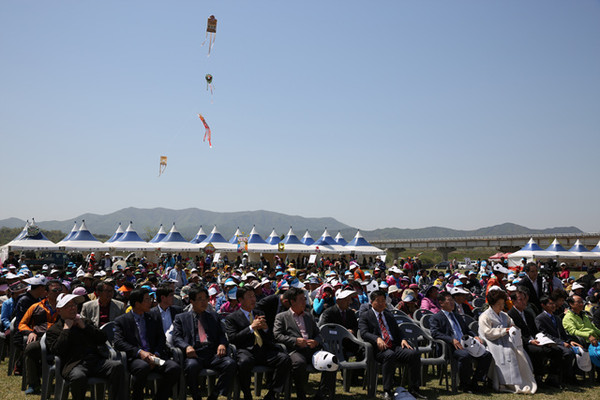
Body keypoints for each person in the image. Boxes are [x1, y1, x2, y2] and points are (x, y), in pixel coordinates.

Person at [46, 293, 125, 400]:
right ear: (59, 311)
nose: (73, 308)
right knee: (78, 377)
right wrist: (66, 330)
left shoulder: (85, 322)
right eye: (68, 306)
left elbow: (102, 338)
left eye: (74, 305)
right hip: (74, 364)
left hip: (96, 361)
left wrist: (85, 327)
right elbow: (57, 351)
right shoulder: (54, 330)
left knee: (117, 366)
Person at [114, 287, 181, 400]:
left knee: (173, 367)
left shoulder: (153, 317)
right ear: (137, 303)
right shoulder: (122, 320)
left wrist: (156, 354)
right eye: (147, 300)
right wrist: (140, 353)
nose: (151, 302)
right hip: (136, 358)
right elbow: (118, 342)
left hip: (154, 357)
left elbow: (161, 338)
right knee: (142, 367)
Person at [225, 286, 291, 400]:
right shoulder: (232, 318)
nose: (253, 299)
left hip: (263, 350)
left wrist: (265, 329)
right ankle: (247, 393)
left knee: (284, 359)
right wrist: (251, 328)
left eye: (254, 296)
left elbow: (269, 336)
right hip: (246, 350)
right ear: (240, 300)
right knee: (244, 362)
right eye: (249, 297)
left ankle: (272, 393)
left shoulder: (259, 312)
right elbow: (233, 338)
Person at [358, 290, 425, 400]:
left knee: (414, 354)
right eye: (378, 301)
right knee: (389, 355)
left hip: (394, 345)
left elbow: (398, 331)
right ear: (371, 302)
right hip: (378, 349)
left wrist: (403, 339)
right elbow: (364, 333)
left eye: (383, 301)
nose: (381, 303)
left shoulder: (388, 314)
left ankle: (414, 388)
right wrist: (377, 338)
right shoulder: (366, 315)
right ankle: (387, 390)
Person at [172, 286, 235, 400]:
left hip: (212, 353)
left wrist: (222, 344)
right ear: (191, 301)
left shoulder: (213, 316)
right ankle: (196, 396)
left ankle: (215, 395)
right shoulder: (181, 318)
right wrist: (186, 347)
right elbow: (177, 338)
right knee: (191, 366)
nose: (204, 302)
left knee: (230, 363)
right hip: (194, 354)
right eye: (200, 299)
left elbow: (221, 334)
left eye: (205, 298)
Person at [273, 287, 335, 400]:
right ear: (292, 302)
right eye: (301, 299)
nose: (304, 301)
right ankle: (301, 394)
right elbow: (277, 335)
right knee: (299, 363)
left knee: (330, 360)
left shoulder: (308, 315)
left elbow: (319, 334)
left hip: (312, 349)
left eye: (305, 298)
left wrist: (316, 341)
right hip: (295, 350)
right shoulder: (282, 317)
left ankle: (322, 393)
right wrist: (295, 341)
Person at [430, 291, 492, 393]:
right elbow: (435, 333)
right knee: (465, 356)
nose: (452, 303)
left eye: (452, 300)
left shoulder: (457, 316)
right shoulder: (436, 317)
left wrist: (475, 336)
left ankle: (475, 382)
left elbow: (466, 330)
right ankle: (464, 385)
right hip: (451, 348)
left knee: (486, 355)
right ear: (441, 303)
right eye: (449, 300)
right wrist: (451, 339)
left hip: (466, 344)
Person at [478, 288, 537, 394]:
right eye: (499, 304)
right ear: (492, 304)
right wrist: (504, 330)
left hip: (506, 340)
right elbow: (487, 332)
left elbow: (512, 324)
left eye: (502, 303)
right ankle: (504, 382)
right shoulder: (485, 316)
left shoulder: (504, 315)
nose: (501, 306)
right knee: (507, 353)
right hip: (492, 342)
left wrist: (512, 327)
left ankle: (518, 381)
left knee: (518, 352)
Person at [508, 287, 563, 387]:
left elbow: (535, 331)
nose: (524, 302)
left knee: (556, 349)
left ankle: (552, 377)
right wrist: (529, 341)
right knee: (538, 351)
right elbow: (514, 334)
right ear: (513, 301)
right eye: (520, 300)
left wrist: (544, 340)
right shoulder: (510, 315)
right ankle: (538, 377)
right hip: (522, 343)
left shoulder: (528, 314)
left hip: (536, 340)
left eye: (525, 299)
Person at [18, 279, 63, 394]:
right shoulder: (35, 306)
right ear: (46, 292)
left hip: (61, 339)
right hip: (40, 338)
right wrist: (30, 332)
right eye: (55, 290)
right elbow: (22, 324)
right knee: (31, 349)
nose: (58, 292)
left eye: (60, 290)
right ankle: (33, 384)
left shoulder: (66, 307)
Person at [535, 296, 580, 385]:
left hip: (561, 342)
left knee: (578, 350)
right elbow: (544, 334)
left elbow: (563, 333)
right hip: (551, 343)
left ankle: (570, 375)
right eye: (550, 304)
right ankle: (565, 377)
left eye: (553, 304)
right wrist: (562, 343)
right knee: (568, 353)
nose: (553, 306)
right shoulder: (540, 318)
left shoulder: (557, 318)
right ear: (543, 305)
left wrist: (570, 341)